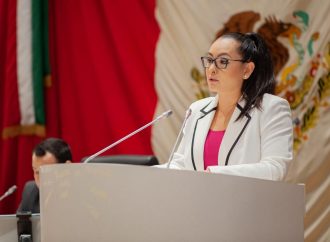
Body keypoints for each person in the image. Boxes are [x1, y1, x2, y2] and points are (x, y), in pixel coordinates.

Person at [165, 32, 293, 181]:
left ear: (247, 70)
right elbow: (180, 165)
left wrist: (215, 176)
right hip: (198, 203)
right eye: (209, 60)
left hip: (246, 203)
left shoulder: (271, 108)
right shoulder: (197, 110)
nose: (211, 69)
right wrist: (140, 171)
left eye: (223, 61)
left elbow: (275, 168)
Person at [17, 138, 72, 213]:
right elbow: (19, 224)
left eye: (47, 172)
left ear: (66, 169)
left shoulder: (83, 195)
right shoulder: (30, 192)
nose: (40, 179)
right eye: (36, 172)